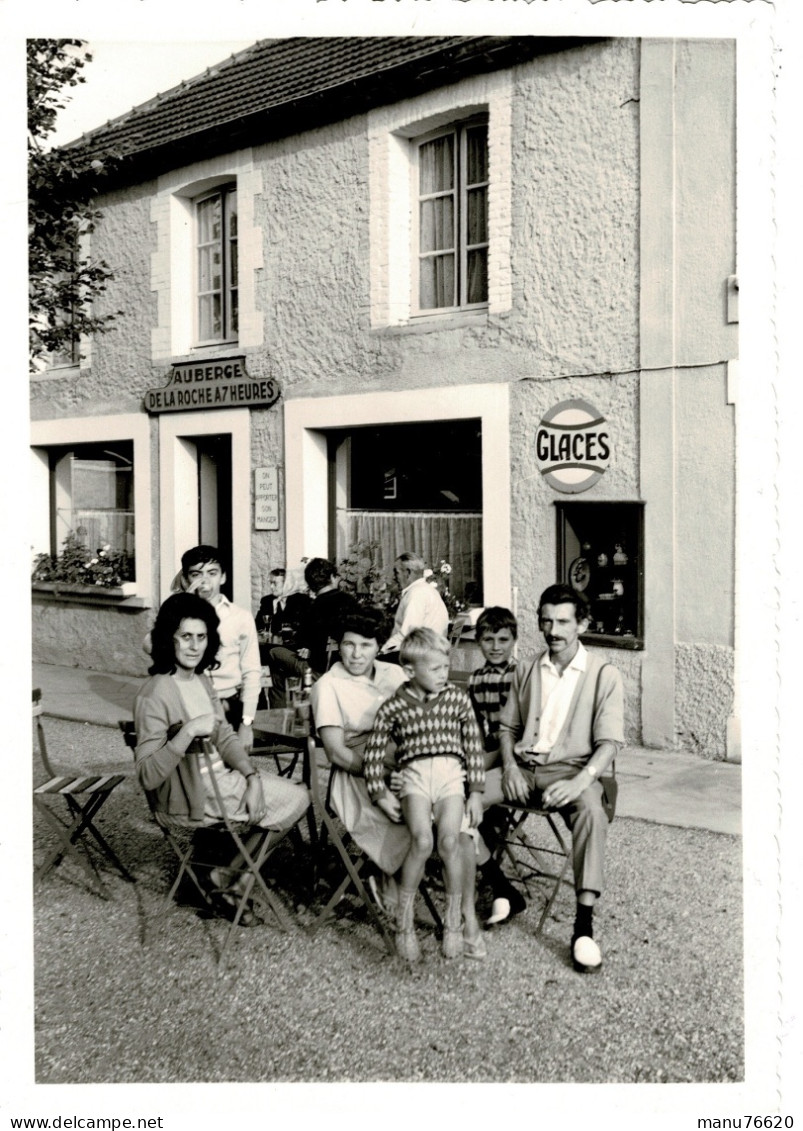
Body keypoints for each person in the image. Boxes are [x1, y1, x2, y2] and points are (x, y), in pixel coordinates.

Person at [133, 592, 310, 924]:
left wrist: (252, 777)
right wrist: (185, 734)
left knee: (290, 792)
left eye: (202, 637)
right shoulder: (155, 694)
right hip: (188, 797)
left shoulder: (199, 680)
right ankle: (230, 879)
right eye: (185, 637)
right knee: (298, 798)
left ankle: (225, 878)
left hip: (219, 782)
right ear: (167, 638)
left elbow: (224, 737)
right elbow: (146, 775)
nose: (194, 646)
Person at [491, 583, 624, 973]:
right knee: (462, 794)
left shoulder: (603, 674)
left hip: (571, 769)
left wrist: (582, 782)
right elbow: (506, 729)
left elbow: (610, 742)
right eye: (546, 621)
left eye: (563, 621)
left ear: (582, 623)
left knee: (591, 814)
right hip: (525, 768)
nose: (553, 630)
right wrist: (511, 767)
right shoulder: (528, 668)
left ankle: (583, 928)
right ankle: (501, 887)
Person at [363, 628, 486, 962]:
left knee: (449, 843)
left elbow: (473, 746)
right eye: (435, 669)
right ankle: (403, 925)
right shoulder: (393, 707)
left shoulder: (457, 699)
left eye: (445, 667)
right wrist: (379, 793)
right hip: (415, 779)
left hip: (450, 778)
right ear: (409, 670)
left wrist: (475, 792)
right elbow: (373, 755)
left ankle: (453, 922)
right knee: (421, 842)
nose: (443, 675)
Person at [310, 607, 410, 915]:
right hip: (356, 769)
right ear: (338, 645)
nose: (355, 654)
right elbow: (336, 752)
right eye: (349, 644)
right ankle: (388, 873)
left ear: (378, 646)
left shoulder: (394, 674)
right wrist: (379, 774)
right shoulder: (328, 685)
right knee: (397, 809)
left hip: (405, 758)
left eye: (365, 645)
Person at [466, 606, 528, 927]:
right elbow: (474, 725)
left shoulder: (521, 674)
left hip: (511, 754)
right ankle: (499, 883)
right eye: (488, 639)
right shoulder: (476, 679)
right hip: (486, 749)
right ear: (478, 642)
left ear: (514, 640)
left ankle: (492, 876)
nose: (496, 647)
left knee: (463, 795)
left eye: (503, 639)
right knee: (464, 787)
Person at [177, 545, 262, 753]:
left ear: (223, 577)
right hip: (186, 708)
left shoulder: (240, 618)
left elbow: (252, 672)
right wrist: (182, 605)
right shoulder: (178, 613)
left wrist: (246, 723)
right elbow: (149, 645)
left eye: (212, 573)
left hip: (228, 707)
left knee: (230, 775)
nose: (205, 581)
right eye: (196, 574)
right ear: (187, 579)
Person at [295, 557, 358, 676]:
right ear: (332, 577)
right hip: (346, 664)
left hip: (318, 666)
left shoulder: (310, 607)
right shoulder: (349, 600)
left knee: (274, 653)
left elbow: (300, 642)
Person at [379, 552, 449, 661]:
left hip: (420, 657)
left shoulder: (416, 594)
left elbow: (406, 635)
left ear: (407, 572)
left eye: (396, 572)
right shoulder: (426, 590)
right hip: (430, 652)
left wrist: (382, 651)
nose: (394, 577)